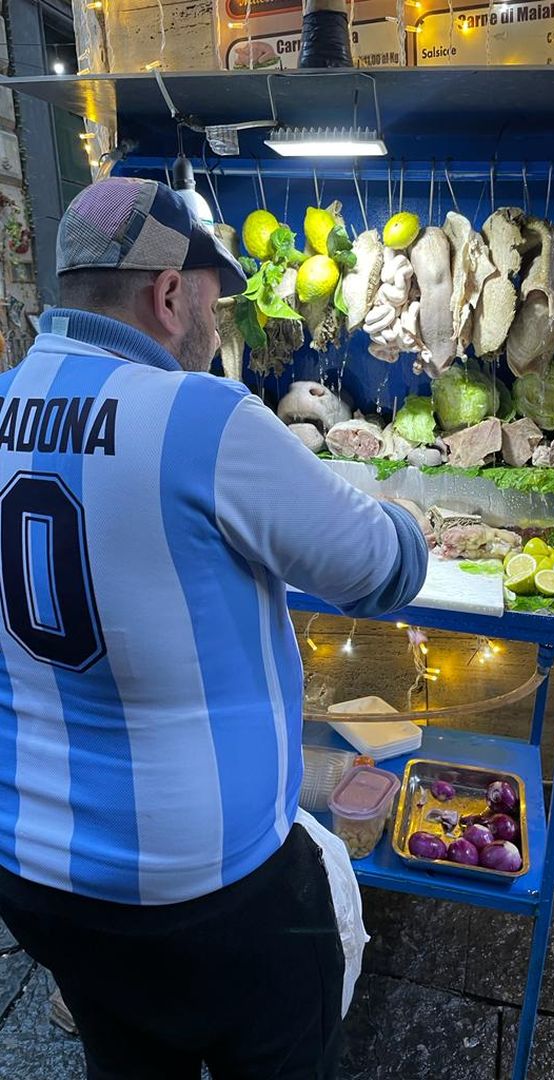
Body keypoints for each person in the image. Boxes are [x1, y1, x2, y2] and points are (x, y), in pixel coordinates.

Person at [0, 177, 429, 1079]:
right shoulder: (199, 415)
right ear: (167, 294)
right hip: (212, 893)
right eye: (211, 297)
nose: (214, 318)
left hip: (34, 877)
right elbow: (379, 571)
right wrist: (404, 514)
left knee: (128, 1054)